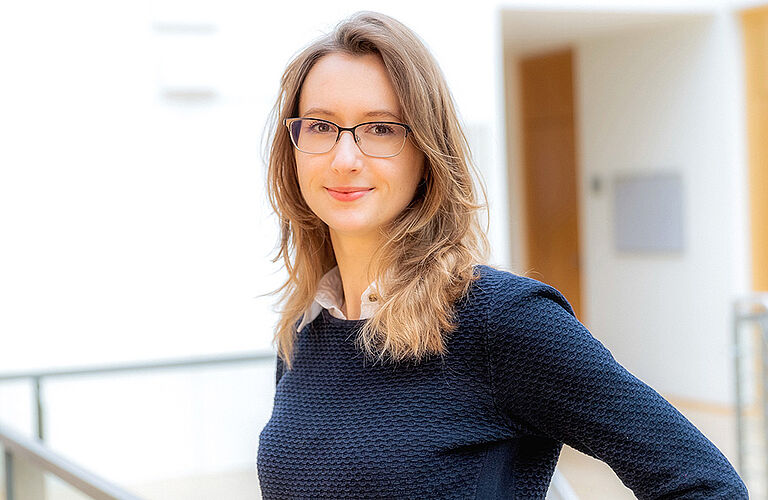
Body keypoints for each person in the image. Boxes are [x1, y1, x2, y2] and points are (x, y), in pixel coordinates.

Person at [256, 10, 748, 499]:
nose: (344, 158)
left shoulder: (501, 321)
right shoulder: (303, 331)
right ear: (292, 149)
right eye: (320, 126)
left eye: (381, 128)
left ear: (427, 155)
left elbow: (704, 484)